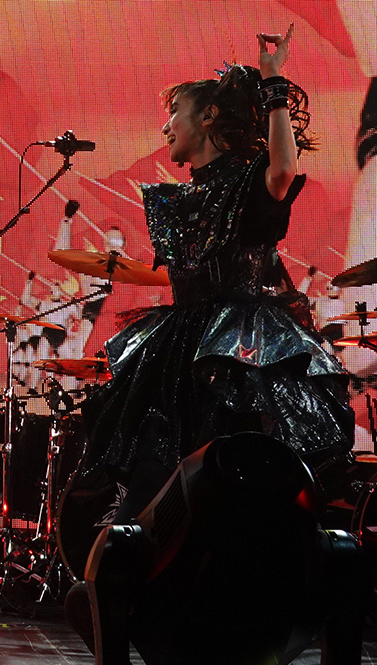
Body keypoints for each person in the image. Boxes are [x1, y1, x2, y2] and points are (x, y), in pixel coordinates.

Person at [63, 26, 355, 653]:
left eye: (175, 113)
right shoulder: (182, 196)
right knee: (154, 473)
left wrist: (273, 82)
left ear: (209, 117)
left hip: (238, 347)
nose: (165, 125)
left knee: (232, 475)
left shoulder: (248, 179)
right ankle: (141, 596)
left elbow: (282, 169)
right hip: (183, 344)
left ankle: (244, 600)